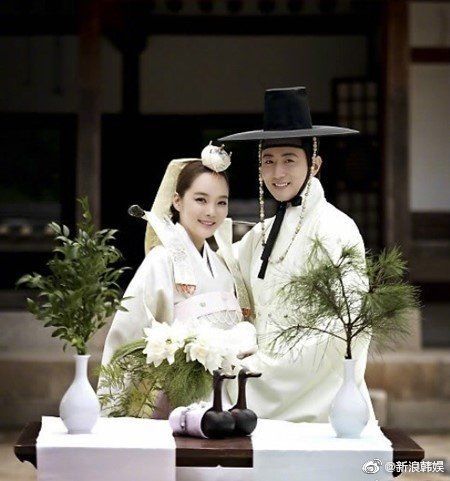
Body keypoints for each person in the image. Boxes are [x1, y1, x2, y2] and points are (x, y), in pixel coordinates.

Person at [219, 87, 375, 423]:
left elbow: (347, 326)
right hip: (257, 383)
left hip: (316, 399)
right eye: (268, 161)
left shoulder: (337, 229)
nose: (277, 174)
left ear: (314, 164)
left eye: (289, 160)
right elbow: (219, 269)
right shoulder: (259, 235)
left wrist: (266, 371)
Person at [99, 146, 255, 417]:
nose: (211, 211)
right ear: (177, 201)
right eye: (201, 199)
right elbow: (128, 333)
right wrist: (113, 406)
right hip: (176, 400)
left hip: (225, 400)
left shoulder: (223, 266)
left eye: (221, 202)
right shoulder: (161, 260)